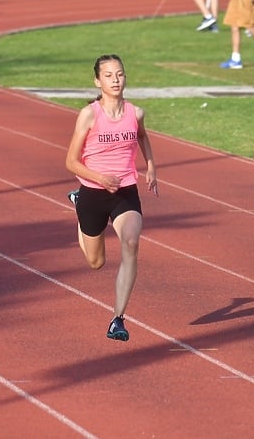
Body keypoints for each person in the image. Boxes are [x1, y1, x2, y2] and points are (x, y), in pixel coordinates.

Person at [65, 54, 159, 341]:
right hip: (93, 191)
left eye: (119, 74)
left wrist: (151, 166)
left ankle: (118, 318)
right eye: (108, 75)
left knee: (131, 242)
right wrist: (99, 178)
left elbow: (142, 136)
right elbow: (70, 161)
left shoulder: (136, 113)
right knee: (96, 263)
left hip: (125, 191)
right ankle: (78, 206)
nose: (115, 80)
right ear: (98, 81)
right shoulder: (90, 115)